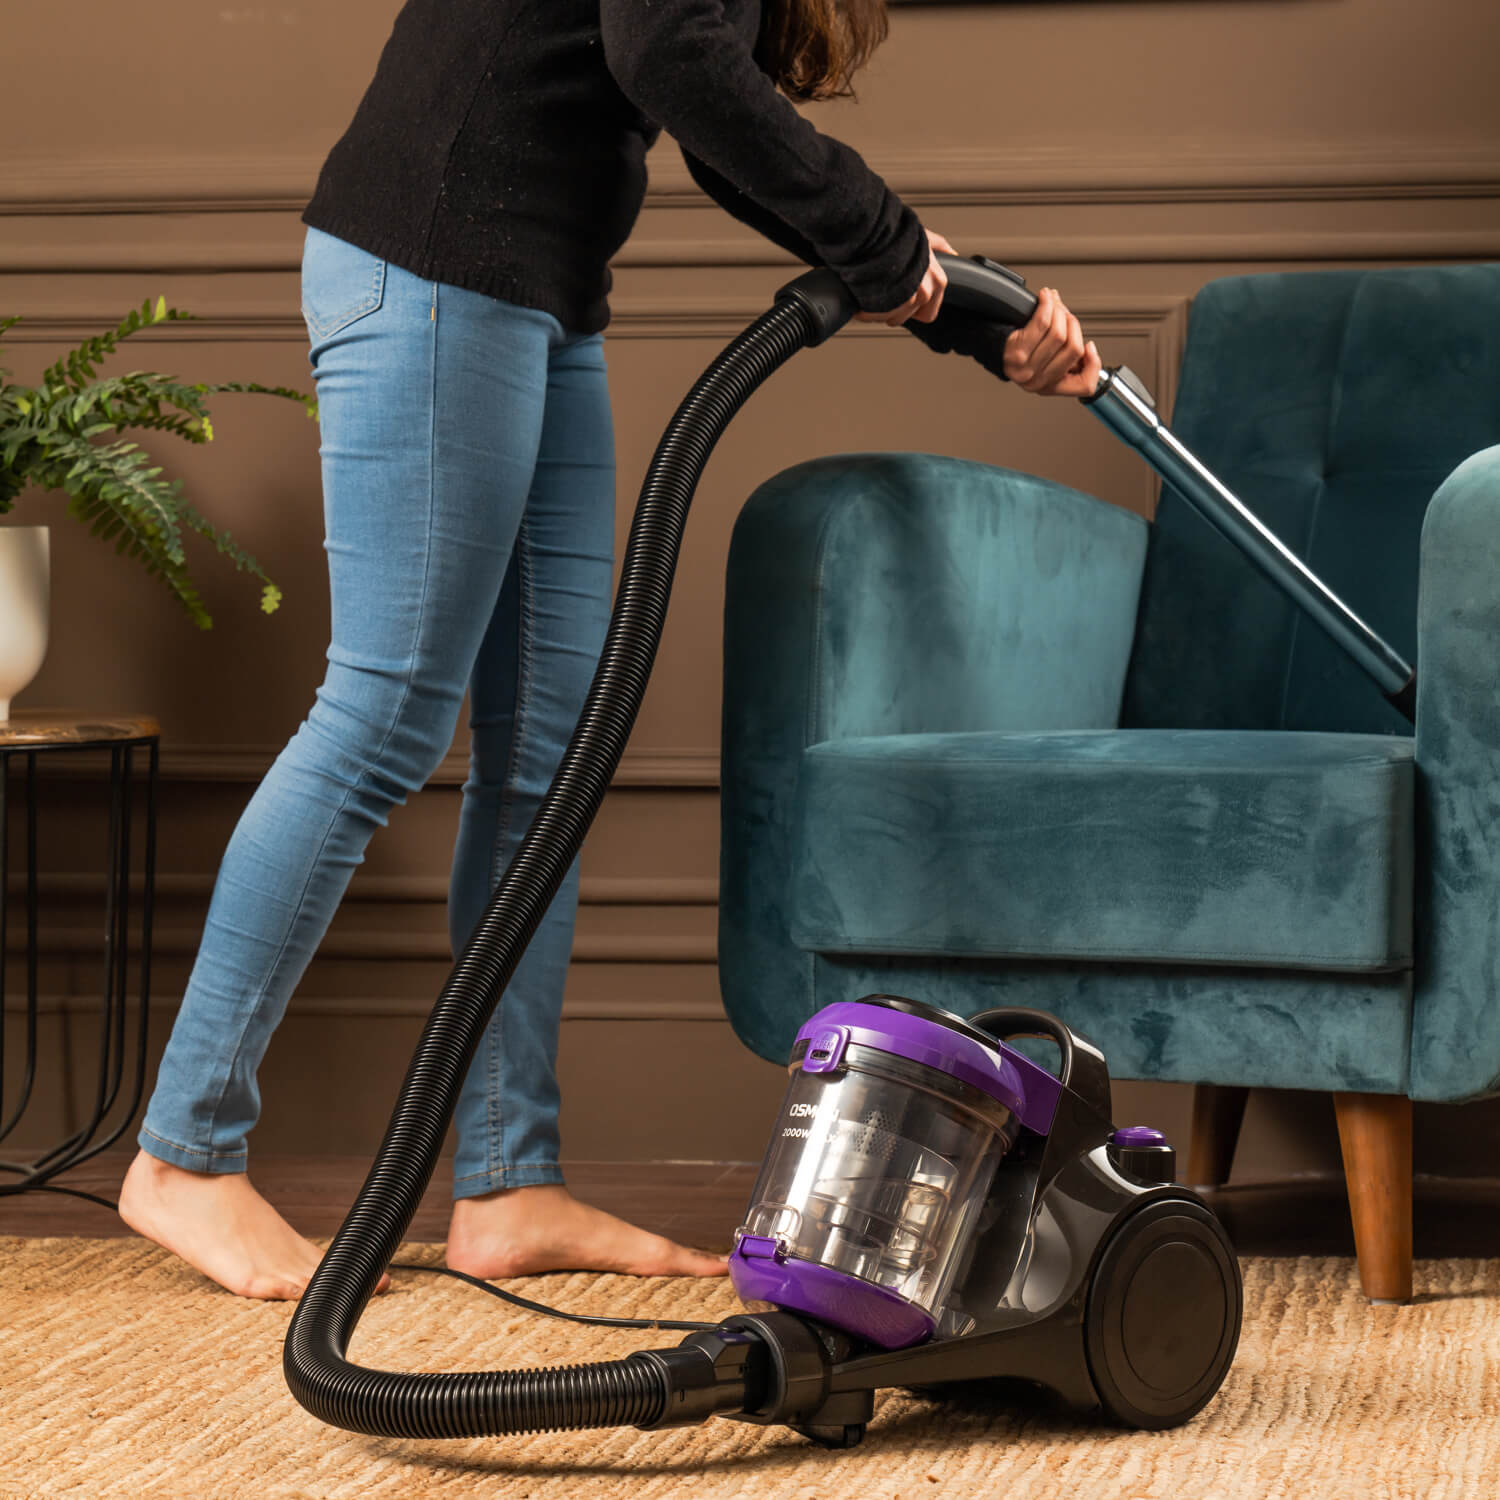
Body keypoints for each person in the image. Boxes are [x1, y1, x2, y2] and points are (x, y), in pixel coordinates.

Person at [117, 0, 1098, 1301]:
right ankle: (185, 1153)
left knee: (550, 754)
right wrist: (887, 241)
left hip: (531, 292)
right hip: (435, 267)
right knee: (384, 718)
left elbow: (705, 112)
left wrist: (958, 305)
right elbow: (672, 59)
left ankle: (508, 1183)